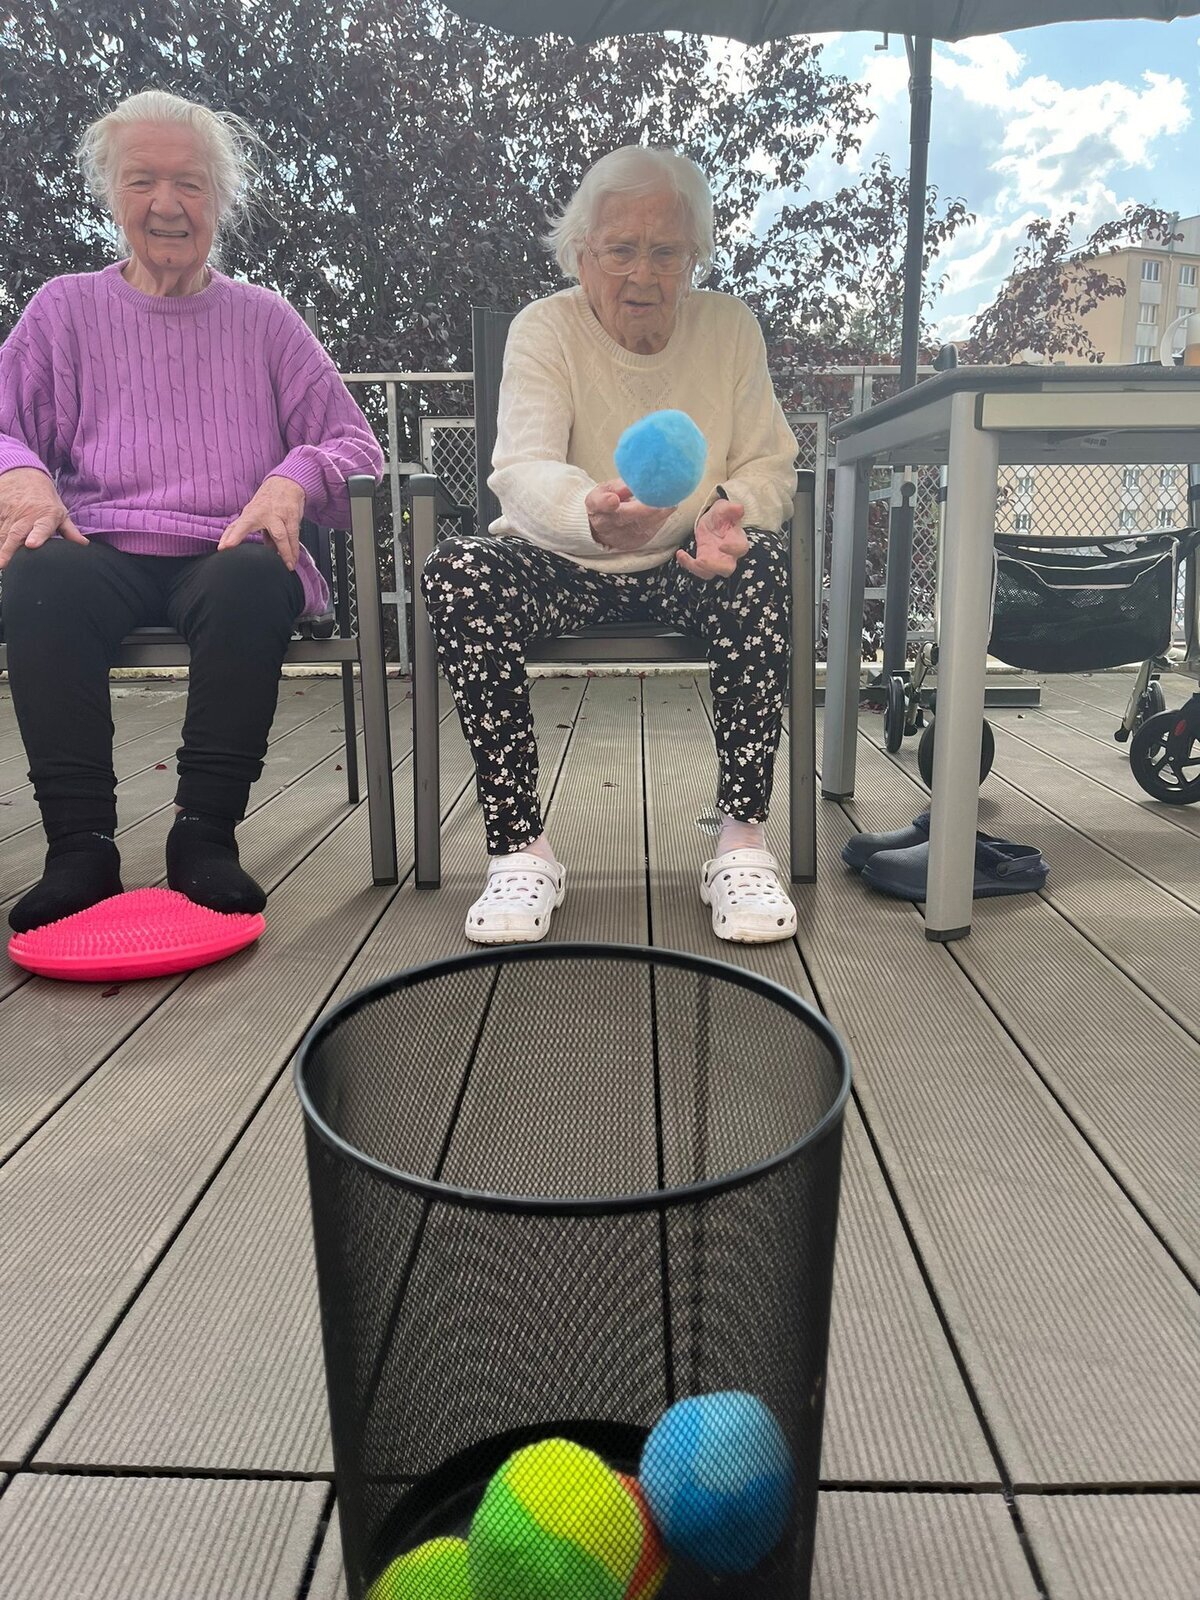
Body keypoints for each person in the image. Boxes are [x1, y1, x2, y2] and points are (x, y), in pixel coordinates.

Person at [0, 91, 383, 932]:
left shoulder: (266, 320)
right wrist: (22, 474)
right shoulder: (63, 309)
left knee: (255, 575)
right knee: (38, 574)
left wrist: (293, 478)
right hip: (97, 544)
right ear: (113, 194)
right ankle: (79, 846)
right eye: (143, 180)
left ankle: (204, 834)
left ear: (220, 198)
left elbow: (356, 446)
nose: (166, 203)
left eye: (190, 183)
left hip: (226, 546)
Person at [423, 144, 800, 947]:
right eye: (620, 250)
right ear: (580, 252)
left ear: (694, 255)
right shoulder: (544, 328)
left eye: (666, 252)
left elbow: (770, 462)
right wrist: (586, 514)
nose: (643, 275)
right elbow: (521, 467)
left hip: (687, 561)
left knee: (765, 564)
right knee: (457, 570)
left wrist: (727, 515)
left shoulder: (730, 328)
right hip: (561, 558)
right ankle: (519, 850)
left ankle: (741, 842)